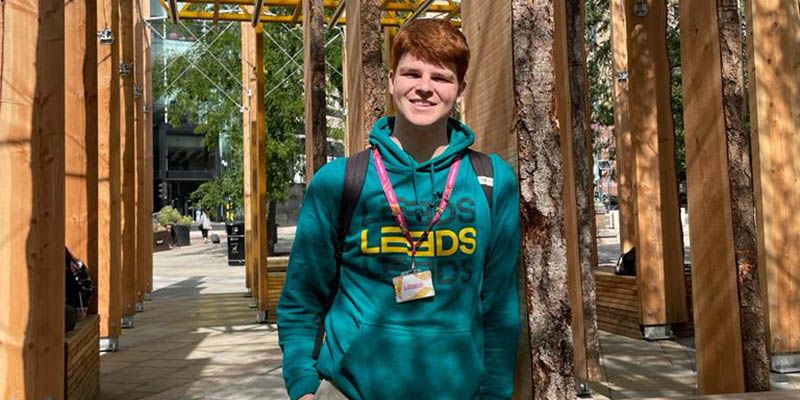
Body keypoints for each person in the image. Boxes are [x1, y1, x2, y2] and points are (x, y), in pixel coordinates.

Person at [278, 19, 521, 400]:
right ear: (391, 81)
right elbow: (302, 297)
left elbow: (500, 307)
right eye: (412, 73)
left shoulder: (493, 181)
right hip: (349, 391)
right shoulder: (340, 181)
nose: (424, 87)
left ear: (461, 90)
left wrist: (495, 395)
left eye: (441, 77)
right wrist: (303, 385)